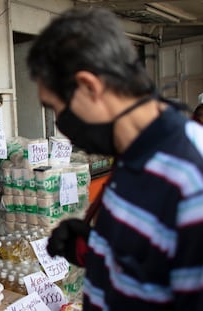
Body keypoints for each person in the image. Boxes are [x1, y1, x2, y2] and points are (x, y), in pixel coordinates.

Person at [27, 7, 203, 311]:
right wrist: (92, 247)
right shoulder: (132, 154)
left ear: (89, 87)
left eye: (56, 108)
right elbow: (150, 269)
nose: (59, 123)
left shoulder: (191, 178)